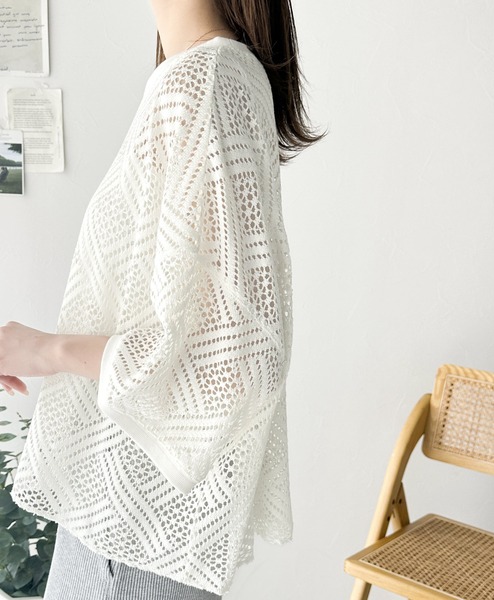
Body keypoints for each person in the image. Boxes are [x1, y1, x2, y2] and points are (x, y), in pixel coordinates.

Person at [0, 0, 323, 598]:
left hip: (133, 526)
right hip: (129, 514)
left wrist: (46, 351)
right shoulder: (212, 75)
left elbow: (236, 361)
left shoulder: (207, 80)